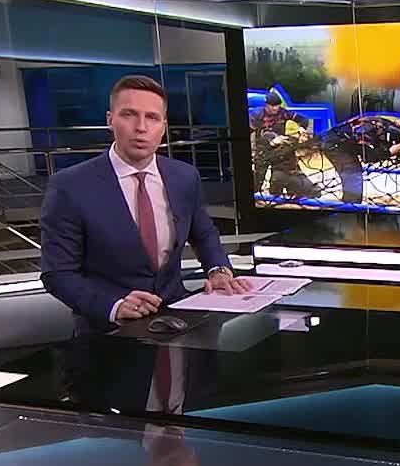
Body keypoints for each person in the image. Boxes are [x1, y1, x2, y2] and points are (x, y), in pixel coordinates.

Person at [41, 75, 251, 334]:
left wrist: (218, 270)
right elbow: (57, 273)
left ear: (163, 126)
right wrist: (114, 306)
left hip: (178, 320)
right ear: (110, 120)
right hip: (108, 332)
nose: (141, 127)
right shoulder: (70, 186)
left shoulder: (184, 177)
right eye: (129, 115)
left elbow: (204, 233)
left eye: (152, 117)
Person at [251, 90, 311, 192]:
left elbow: (303, 119)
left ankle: (277, 193)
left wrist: (302, 129)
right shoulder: (257, 114)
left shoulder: (283, 113)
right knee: (258, 179)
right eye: (272, 106)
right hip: (263, 149)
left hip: (279, 149)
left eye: (277, 105)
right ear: (266, 105)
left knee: (280, 175)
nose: (275, 108)